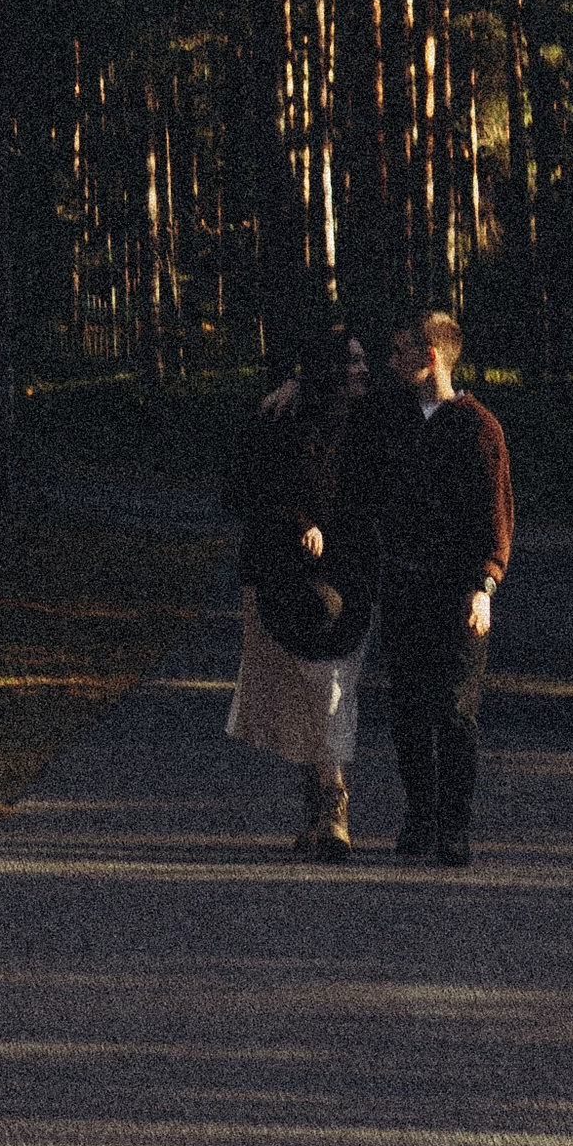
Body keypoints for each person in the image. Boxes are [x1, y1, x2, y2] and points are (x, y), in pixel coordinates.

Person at [224, 326, 379, 856]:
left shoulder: (371, 422)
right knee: (299, 694)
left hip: (347, 581)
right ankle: (317, 805)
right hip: (281, 581)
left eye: (364, 359)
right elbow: (241, 491)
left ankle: (333, 802)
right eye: (351, 361)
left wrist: (330, 528)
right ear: (327, 370)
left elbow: (371, 499)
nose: (362, 369)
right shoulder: (280, 419)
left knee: (330, 689)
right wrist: (297, 521)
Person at [375, 309, 514, 867]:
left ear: (429, 357)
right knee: (408, 710)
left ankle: (454, 826)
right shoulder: (393, 420)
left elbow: (497, 518)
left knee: (456, 711)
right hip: (404, 588)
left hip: (458, 593)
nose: (392, 362)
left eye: (401, 352)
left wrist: (485, 585)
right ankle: (420, 817)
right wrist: (289, 387)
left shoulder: (479, 428)